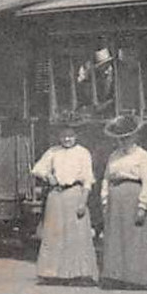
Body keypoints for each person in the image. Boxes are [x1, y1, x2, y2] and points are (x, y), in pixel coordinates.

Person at [30, 112, 98, 283]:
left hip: (74, 194)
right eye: (64, 136)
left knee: (76, 235)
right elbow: (36, 169)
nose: (67, 139)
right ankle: (51, 273)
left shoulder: (83, 153)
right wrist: (48, 176)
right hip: (56, 195)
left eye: (70, 136)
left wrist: (83, 201)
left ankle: (79, 273)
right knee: (54, 234)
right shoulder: (53, 152)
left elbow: (88, 179)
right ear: (59, 136)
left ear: (76, 136)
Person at [99, 114, 147, 289]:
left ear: (135, 137)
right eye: (120, 139)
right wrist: (105, 200)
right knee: (115, 238)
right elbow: (106, 178)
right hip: (115, 199)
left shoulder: (143, 157)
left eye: (127, 138)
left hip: (133, 197)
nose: (123, 142)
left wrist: (142, 206)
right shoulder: (114, 156)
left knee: (134, 238)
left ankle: (136, 279)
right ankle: (116, 277)